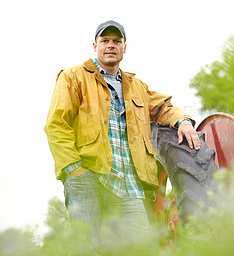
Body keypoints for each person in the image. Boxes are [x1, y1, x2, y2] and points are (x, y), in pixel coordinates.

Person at [44, 20, 200, 250]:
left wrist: (183, 121)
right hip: (88, 176)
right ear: (94, 45)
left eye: (116, 41)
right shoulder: (73, 77)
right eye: (105, 41)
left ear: (124, 47)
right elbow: (56, 124)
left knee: (141, 249)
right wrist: (73, 169)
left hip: (129, 185)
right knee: (87, 248)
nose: (110, 45)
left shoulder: (136, 86)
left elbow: (164, 107)